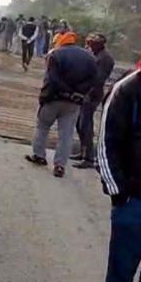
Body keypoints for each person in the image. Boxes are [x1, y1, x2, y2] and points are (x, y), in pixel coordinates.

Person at [96, 65, 141, 282]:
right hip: (133, 202)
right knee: (121, 269)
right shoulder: (127, 90)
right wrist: (119, 194)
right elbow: (106, 144)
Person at [25, 31, 97, 178]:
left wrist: (48, 96)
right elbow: (93, 80)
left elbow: (52, 79)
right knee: (66, 134)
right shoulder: (89, 57)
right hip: (74, 102)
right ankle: (60, 165)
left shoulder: (55, 54)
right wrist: (78, 93)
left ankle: (39, 156)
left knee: (43, 126)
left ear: (61, 41)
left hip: (53, 98)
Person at [72, 33, 115, 169]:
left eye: (92, 43)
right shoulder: (95, 54)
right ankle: (83, 152)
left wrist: (88, 93)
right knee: (79, 124)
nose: (89, 45)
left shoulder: (105, 58)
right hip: (86, 92)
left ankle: (89, 158)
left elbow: (98, 79)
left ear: (99, 44)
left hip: (92, 94)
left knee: (86, 125)